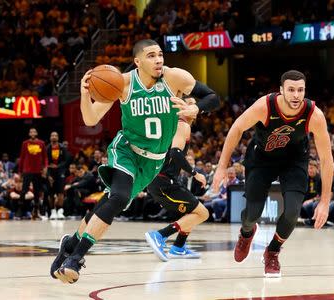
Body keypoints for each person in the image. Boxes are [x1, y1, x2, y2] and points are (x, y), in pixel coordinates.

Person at [51, 39, 219, 284]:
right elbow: (90, 119)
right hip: (127, 149)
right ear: (138, 62)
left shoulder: (175, 78)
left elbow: (212, 97)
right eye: (151, 55)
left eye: (160, 54)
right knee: (119, 197)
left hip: (153, 162)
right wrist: (85, 95)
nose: (159, 59)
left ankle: (71, 243)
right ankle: (75, 259)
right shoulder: (122, 83)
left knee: (112, 201)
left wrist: (197, 109)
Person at [212, 70, 333, 278]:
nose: (296, 95)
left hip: (294, 161)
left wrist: (324, 201)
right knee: (253, 213)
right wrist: (222, 167)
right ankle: (247, 233)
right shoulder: (264, 106)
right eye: (291, 90)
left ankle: (273, 252)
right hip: (262, 160)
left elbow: (326, 158)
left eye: (301, 90)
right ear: (281, 90)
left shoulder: (314, 115)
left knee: (294, 211)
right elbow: (236, 128)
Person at [145, 111, 209, 261]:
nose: (196, 108)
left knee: (193, 213)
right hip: (164, 181)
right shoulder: (182, 124)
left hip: (161, 179)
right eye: (191, 103)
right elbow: (175, 153)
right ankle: (160, 235)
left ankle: (179, 247)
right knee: (203, 213)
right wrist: (195, 173)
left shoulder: (171, 123)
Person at [18, 127, 47, 219]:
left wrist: (45, 167)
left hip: (38, 171)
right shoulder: (25, 143)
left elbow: (45, 157)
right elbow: (22, 157)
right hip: (27, 170)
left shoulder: (41, 143)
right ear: (29, 134)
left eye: (34, 131)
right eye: (31, 131)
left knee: (37, 191)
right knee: (24, 190)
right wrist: (20, 171)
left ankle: (36, 211)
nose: (33, 133)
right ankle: (20, 210)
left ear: (37, 133)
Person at [46, 131, 71, 220]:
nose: (54, 137)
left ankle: (60, 211)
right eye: (52, 135)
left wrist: (57, 166)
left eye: (55, 135)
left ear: (58, 137)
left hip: (60, 172)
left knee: (60, 192)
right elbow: (45, 162)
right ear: (50, 138)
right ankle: (53, 211)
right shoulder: (47, 148)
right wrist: (48, 173)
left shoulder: (63, 148)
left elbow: (66, 161)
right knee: (51, 194)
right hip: (50, 173)